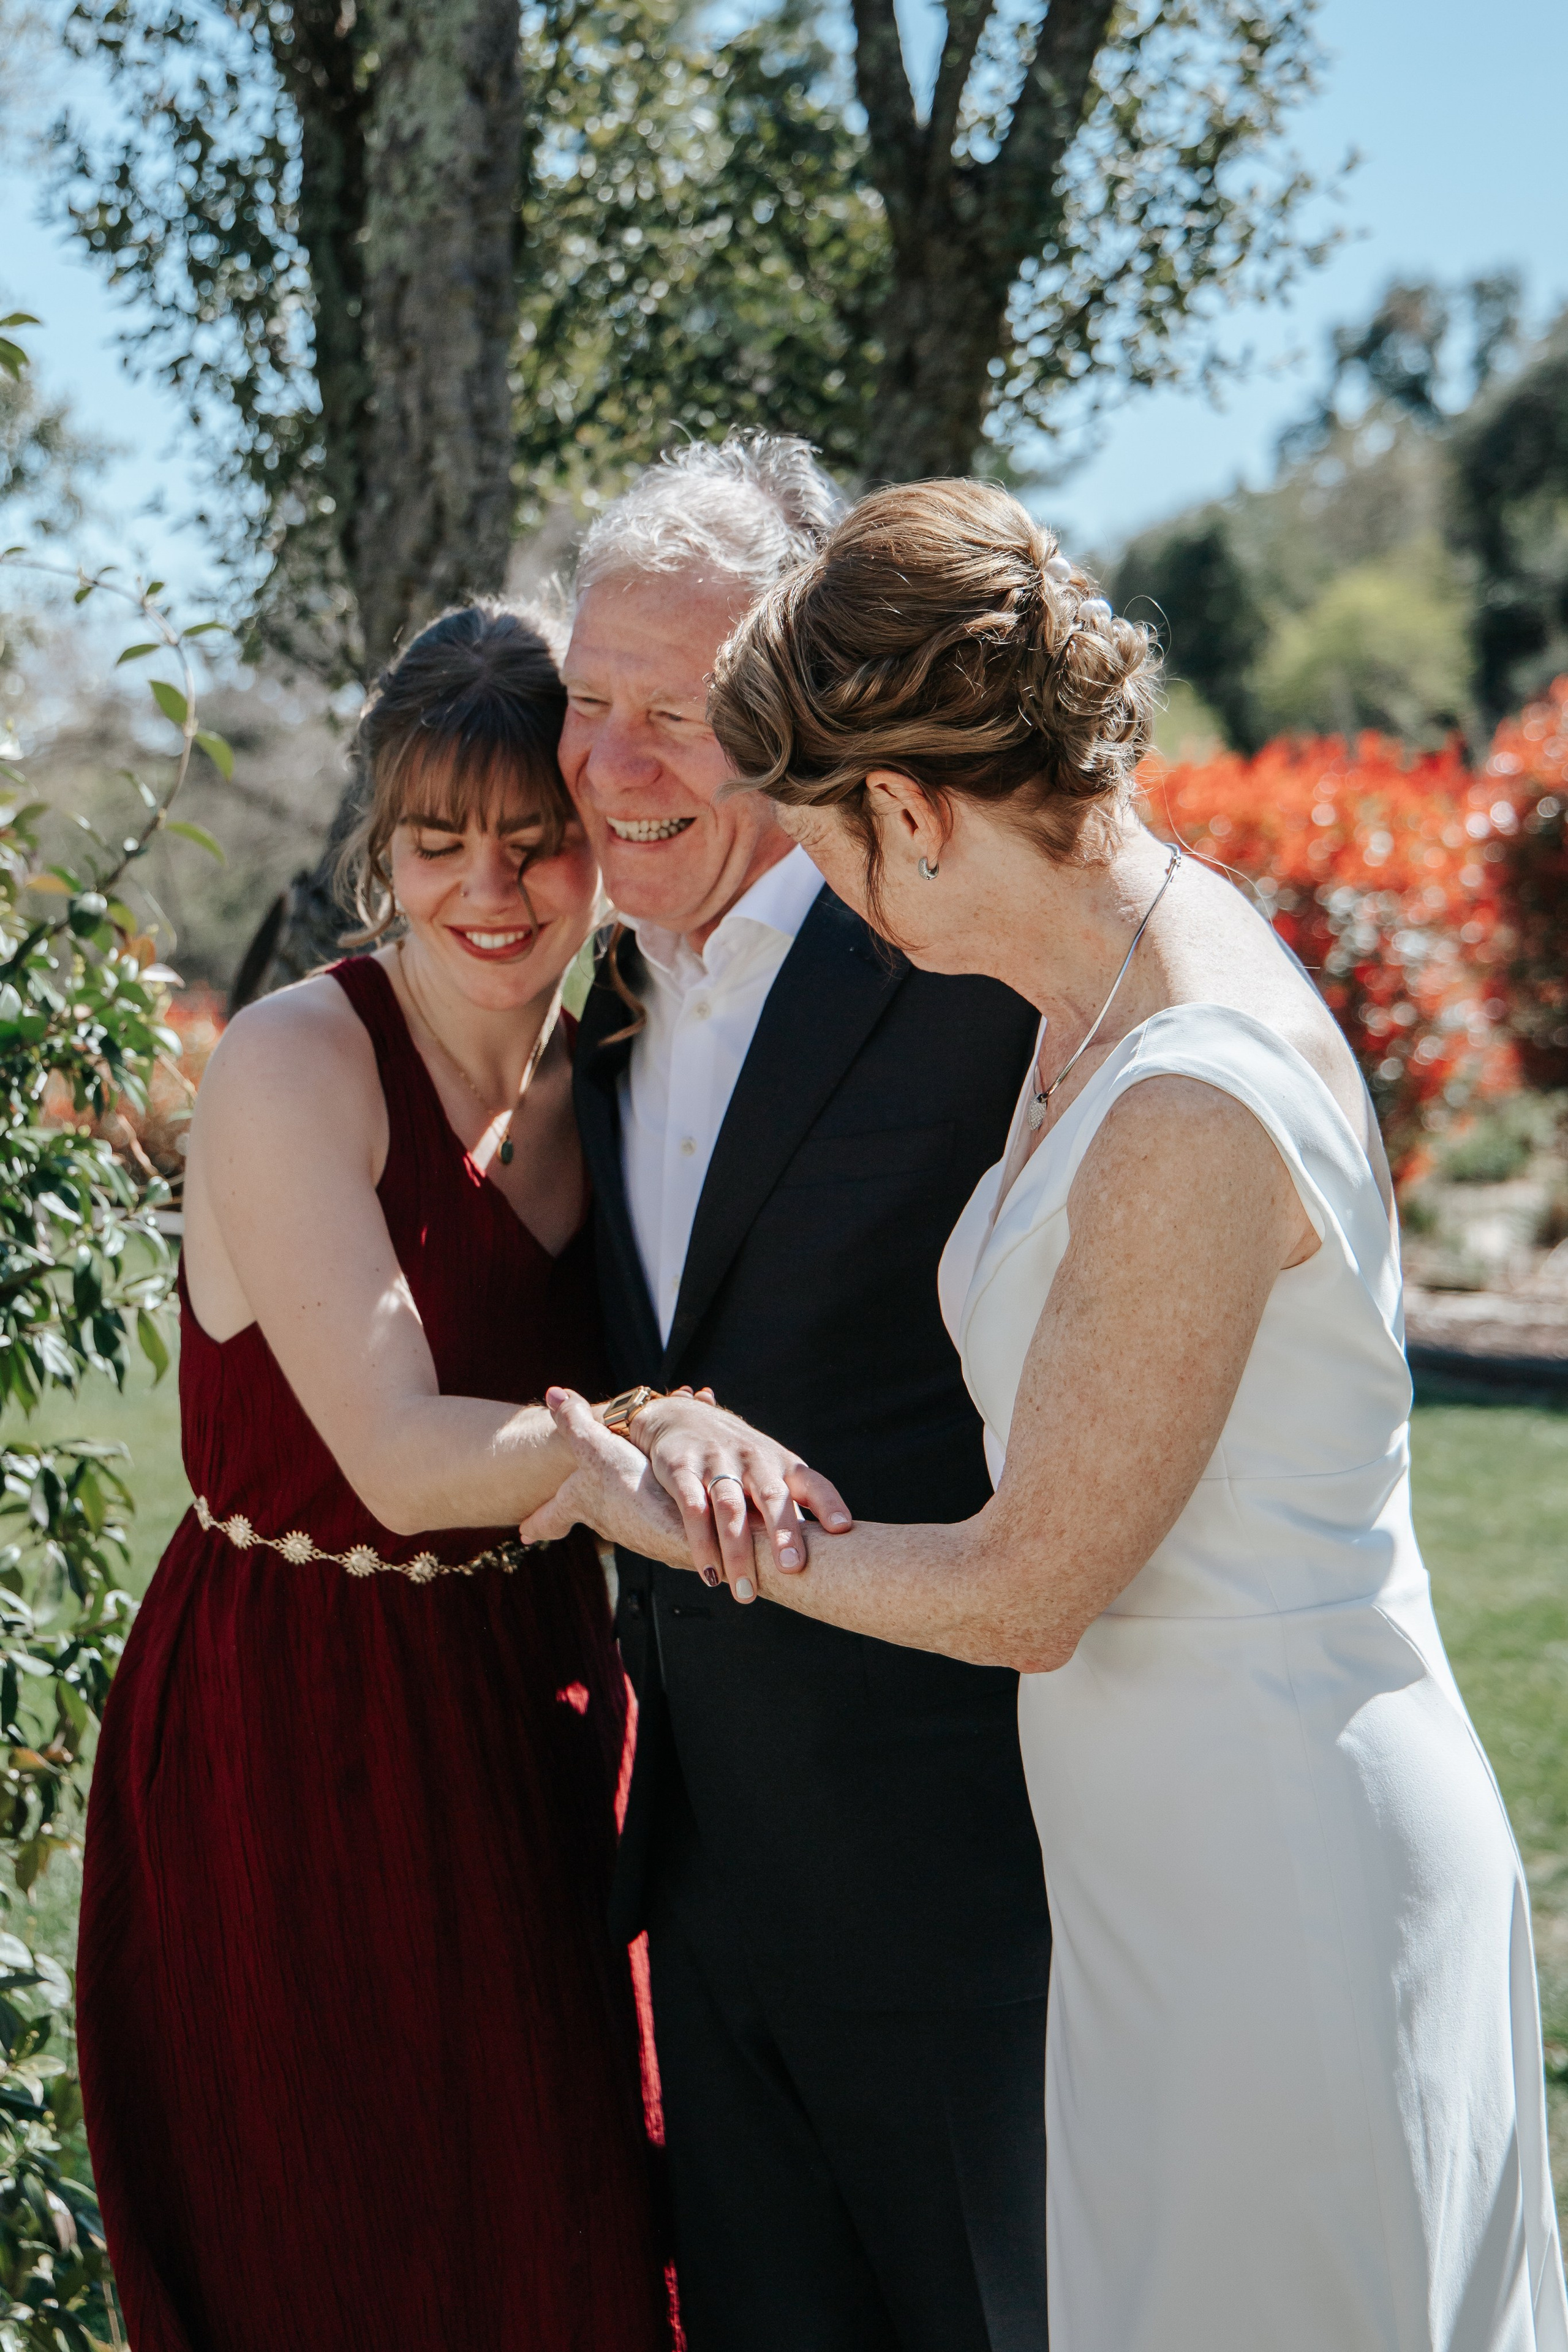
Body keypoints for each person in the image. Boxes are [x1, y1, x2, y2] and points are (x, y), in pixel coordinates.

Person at [526, 480, 1568, 2352]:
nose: (827, 894)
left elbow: (1027, 1593)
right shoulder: (1100, 991)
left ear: (912, 811)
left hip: (1272, 1869)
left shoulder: (1182, 1096)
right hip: (1141, 1862)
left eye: (831, 847)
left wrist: (648, 1498)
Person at [77, 605, 686, 2351]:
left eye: (535, 841)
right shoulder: (294, 1061)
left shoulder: (632, 1062)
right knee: (343, 2248)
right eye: (438, 845)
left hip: (538, 1694)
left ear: (602, 843)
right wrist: (674, 1453)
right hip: (295, 1716)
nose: (490, 889)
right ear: (379, 852)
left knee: (576, 2223)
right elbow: (413, 1465)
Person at [559, 435, 1053, 2352]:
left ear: (789, 716)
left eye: (673, 717)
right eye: (588, 704)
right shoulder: (588, 992)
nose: (611, 764)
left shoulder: (960, 980)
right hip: (703, 1872)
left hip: (955, 1880)